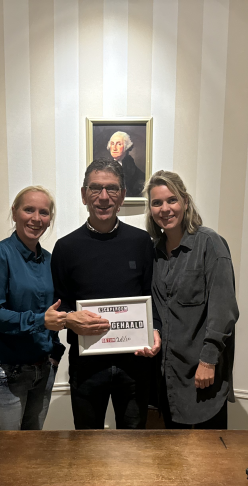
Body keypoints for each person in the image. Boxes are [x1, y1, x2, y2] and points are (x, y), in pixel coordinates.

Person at [51, 158, 161, 430]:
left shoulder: (141, 242)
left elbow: (151, 296)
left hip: (135, 365)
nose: (103, 197)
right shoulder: (65, 248)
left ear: (122, 195)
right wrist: (69, 318)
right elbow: (60, 305)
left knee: (134, 444)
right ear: (83, 194)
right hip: (86, 368)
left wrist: (155, 330)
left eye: (111, 188)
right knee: (87, 446)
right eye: (95, 188)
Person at [145, 170, 238, 429]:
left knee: (208, 452)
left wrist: (208, 361)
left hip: (202, 375)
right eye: (157, 203)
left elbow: (224, 310)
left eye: (172, 200)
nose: (165, 209)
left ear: (185, 202)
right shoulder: (153, 253)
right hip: (166, 378)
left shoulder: (210, 243)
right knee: (171, 452)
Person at [0, 186, 67, 431]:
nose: (36, 218)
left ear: (50, 219)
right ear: (15, 212)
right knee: (7, 453)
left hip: (42, 371)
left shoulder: (50, 260)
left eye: (43, 212)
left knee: (33, 450)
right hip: (4, 375)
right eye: (29, 210)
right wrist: (40, 321)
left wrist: (55, 353)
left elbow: (55, 309)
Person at [107, 131, 145, 198]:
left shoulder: (133, 170)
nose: (114, 148)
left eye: (119, 144)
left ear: (126, 147)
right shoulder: (106, 165)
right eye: (112, 144)